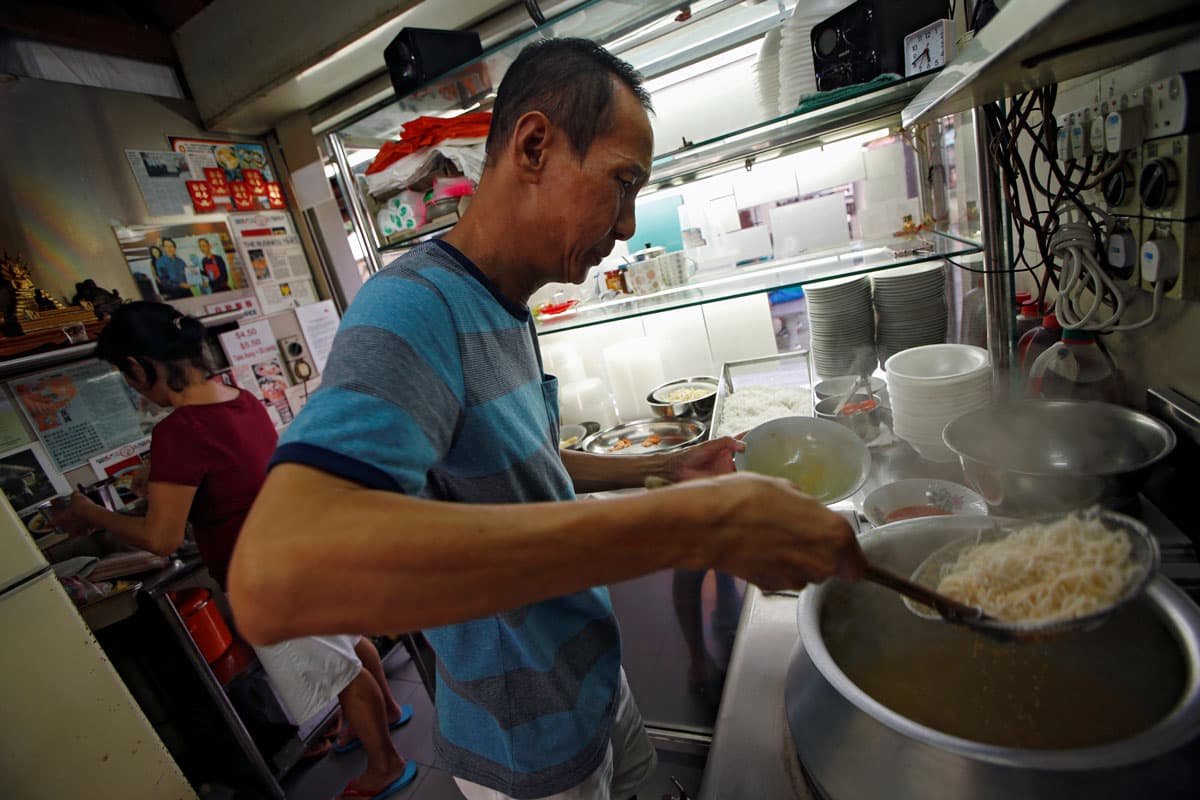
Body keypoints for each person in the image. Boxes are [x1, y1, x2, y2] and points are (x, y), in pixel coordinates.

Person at [229, 39, 863, 800]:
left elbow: (525, 465)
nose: (628, 226)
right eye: (622, 184)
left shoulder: (503, 304)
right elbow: (275, 580)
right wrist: (698, 526)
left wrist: (659, 471)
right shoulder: (412, 307)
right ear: (533, 146)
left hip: (592, 679)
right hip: (520, 739)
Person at [53, 302, 418, 799]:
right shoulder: (238, 398)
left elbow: (160, 538)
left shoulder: (178, 431)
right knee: (350, 643)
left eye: (126, 373)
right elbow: (231, 476)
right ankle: (388, 715)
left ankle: (385, 765)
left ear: (139, 367)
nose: (132, 386)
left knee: (337, 672)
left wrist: (88, 511)